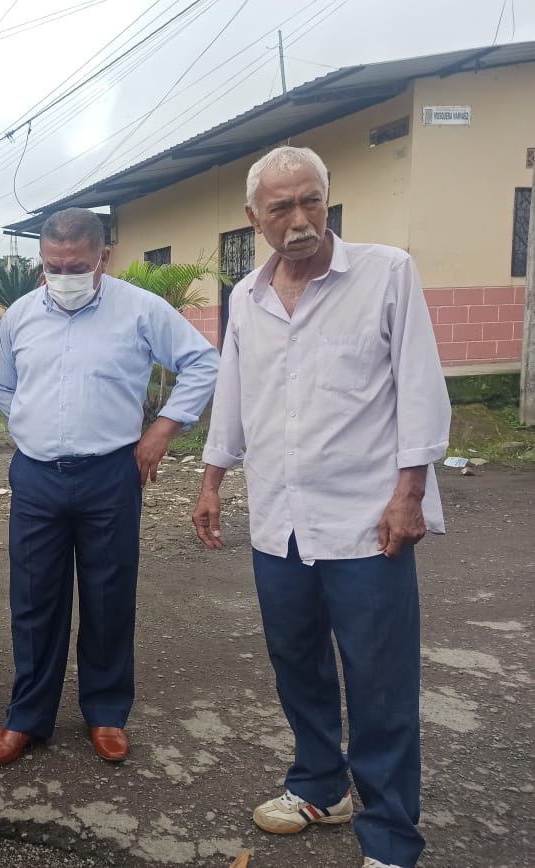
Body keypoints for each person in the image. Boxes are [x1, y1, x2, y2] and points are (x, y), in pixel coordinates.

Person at [191, 146, 451, 868]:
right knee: (296, 665)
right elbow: (234, 394)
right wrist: (212, 481)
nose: (300, 220)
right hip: (280, 521)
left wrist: (410, 493)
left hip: (367, 523)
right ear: (255, 218)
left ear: (327, 200)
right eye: (282, 208)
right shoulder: (246, 298)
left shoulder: (386, 273)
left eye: (312, 201)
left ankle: (390, 840)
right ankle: (320, 786)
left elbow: (420, 387)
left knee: (379, 683)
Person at [0, 208, 219, 766]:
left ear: (102, 259)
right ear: (41, 261)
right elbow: (0, 382)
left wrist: (162, 429)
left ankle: (106, 712)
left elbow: (202, 362)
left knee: (109, 595)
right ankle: (26, 717)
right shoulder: (21, 316)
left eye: (76, 266)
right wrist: (30, 426)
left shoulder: (140, 309)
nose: (63, 276)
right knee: (33, 599)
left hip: (110, 473)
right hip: (37, 476)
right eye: (53, 266)